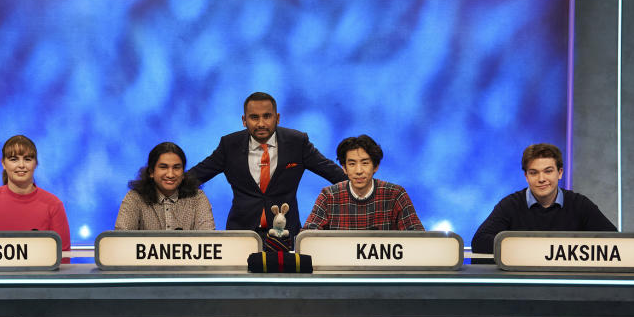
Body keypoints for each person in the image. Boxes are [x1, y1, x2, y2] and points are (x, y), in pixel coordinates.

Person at [189, 92, 346, 240]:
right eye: (254, 117)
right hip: (241, 236)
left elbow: (334, 174)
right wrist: (167, 185)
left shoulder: (297, 142)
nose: (261, 123)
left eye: (267, 116)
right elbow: (195, 177)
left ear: (277, 118)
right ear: (244, 120)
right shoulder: (229, 145)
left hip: (285, 236)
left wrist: (365, 188)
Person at [470, 143, 616, 253]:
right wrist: (531, 249)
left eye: (548, 171)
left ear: (560, 173)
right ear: (526, 176)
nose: (541, 179)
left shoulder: (580, 204)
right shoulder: (510, 205)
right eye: (534, 173)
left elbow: (615, 242)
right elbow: (480, 242)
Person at [0, 135, 71, 252]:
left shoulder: (53, 205)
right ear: (3, 163)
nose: (21, 165)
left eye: (27, 159)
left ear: (35, 163)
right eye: (14, 159)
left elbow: (63, 257)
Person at [303, 134, 424, 231]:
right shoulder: (329, 196)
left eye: (365, 163)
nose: (359, 171)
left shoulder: (395, 195)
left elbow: (417, 237)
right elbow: (308, 237)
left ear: (375, 166)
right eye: (352, 164)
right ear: (344, 168)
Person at [114, 142, 215, 230]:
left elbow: (208, 240)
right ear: (151, 172)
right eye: (163, 167)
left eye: (176, 168)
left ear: (183, 173)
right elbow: (121, 241)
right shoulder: (135, 197)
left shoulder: (197, 197)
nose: (170, 174)